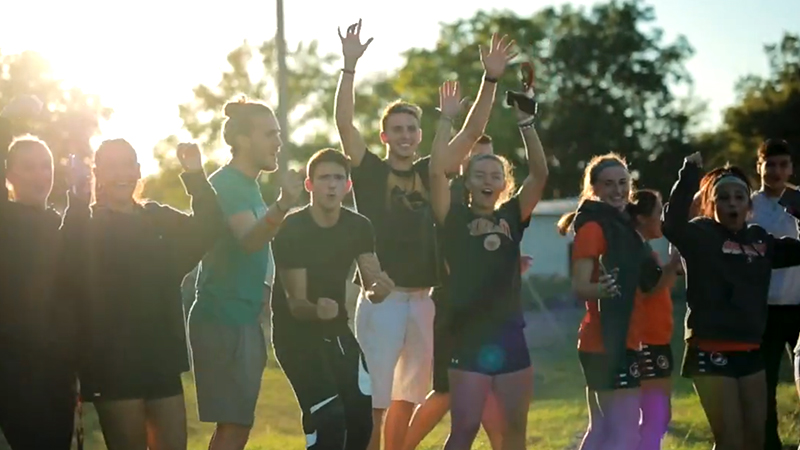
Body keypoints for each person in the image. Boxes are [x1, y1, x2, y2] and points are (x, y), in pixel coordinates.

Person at [334, 20, 506, 450]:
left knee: (406, 397)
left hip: (423, 301)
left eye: (412, 128)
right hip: (382, 300)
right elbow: (343, 122)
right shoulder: (370, 171)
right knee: (375, 399)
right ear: (385, 136)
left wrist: (491, 80)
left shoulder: (433, 172)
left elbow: (469, 133)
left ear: (419, 134)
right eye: (398, 129)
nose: (406, 136)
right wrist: (349, 66)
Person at [64, 137, 223, 450]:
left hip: (161, 357)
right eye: (111, 167)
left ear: (138, 170)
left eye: (128, 164)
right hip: (112, 363)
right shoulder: (87, 224)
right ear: (98, 173)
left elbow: (209, 226)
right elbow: (68, 262)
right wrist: (78, 200)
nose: (121, 173)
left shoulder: (156, 218)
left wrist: (194, 174)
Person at [429, 66, 546, 450]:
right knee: (464, 429)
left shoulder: (512, 215)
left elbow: (540, 174)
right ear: (466, 180)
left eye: (495, 174)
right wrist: (446, 120)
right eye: (479, 172)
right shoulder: (454, 217)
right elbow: (435, 168)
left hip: (511, 336)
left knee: (514, 434)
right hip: (468, 337)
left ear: (503, 184)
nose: (487, 179)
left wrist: (526, 122)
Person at [662, 152, 800, 450]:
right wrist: (688, 175)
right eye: (724, 198)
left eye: (739, 197)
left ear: (749, 206)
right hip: (711, 351)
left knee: (755, 439)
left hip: (751, 351)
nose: (732, 203)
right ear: (713, 205)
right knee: (731, 441)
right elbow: (671, 224)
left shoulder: (760, 239)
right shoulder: (700, 234)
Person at [189, 98, 304, 450]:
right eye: (270, 134)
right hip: (220, 319)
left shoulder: (250, 185)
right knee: (234, 425)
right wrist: (283, 205)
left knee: (238, 425)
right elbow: (250, 240)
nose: (278, 143)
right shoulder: (225, 183)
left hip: (243, 318)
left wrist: (264, 291)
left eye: (278, 134)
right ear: (241, 140)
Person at [271, 148, 395, 450]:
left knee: (361, 420)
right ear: (309, 185)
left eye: (339, 178)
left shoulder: (359, 226)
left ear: (348, 186)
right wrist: (317, 309)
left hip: (337, 331)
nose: (332, 184)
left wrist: (380, 289)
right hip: (296, 336)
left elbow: (371, 283)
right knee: (328, 421)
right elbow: (296, 305)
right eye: (324, 178)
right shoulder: (291, 228)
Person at [558, 154, 662, 450]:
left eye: (623, 183)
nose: (618, 191)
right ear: (594, 189)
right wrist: (600, 289)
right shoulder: (593, 227)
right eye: (608, 184)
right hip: (604, 342)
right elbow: (580, 286)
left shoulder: (622, 225)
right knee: (626, 432)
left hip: (618, 339)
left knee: (602, 429)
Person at [0, 95, 78, 450]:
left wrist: (80, 196)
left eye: (45, 166)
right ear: (10, 175)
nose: (39, 175)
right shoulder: (6, 218)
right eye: (28, 167)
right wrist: (5, 124)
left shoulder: (55, 222)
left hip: (56, 366)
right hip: (14, 365)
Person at [748, 139, 800, 450]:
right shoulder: (749, 204)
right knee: (764, 385)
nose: (777, 171)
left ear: (791, 167)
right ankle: (770, 444)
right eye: (770, 165)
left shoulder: (799, 201)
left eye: (783, 165)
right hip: (764, 308)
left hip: (799, 304)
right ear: (760, 167)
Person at [627, 190, 682, 450]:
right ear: (641, 218)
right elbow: (653, 287)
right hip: (646, 340)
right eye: (658, 213)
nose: (661, 219)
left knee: (656, 417)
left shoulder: (643, 248)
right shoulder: (638, 249)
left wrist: (672, 266)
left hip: (656, 338)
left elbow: (660, 285)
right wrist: (673, 262)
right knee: (655, 417)